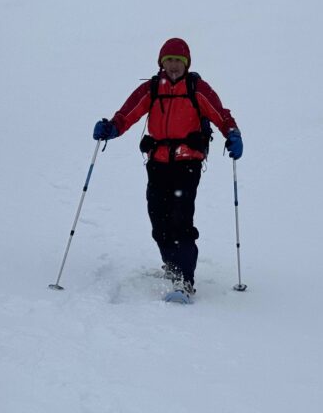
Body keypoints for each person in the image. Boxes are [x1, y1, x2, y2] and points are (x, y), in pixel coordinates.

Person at [92, 38, 242, 298]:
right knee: (158, 218)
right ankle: (172, 264)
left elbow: (220, 113)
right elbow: (128, 114)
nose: (173, 66)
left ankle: (185, 279)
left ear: (187, 64)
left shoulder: (197, 88)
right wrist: (111, 129)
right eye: (169, 61)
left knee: (181, 219)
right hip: (158, 162)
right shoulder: (152, 88)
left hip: (188, 163)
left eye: (178, 61)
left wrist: (233, 133)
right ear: (161, 63)